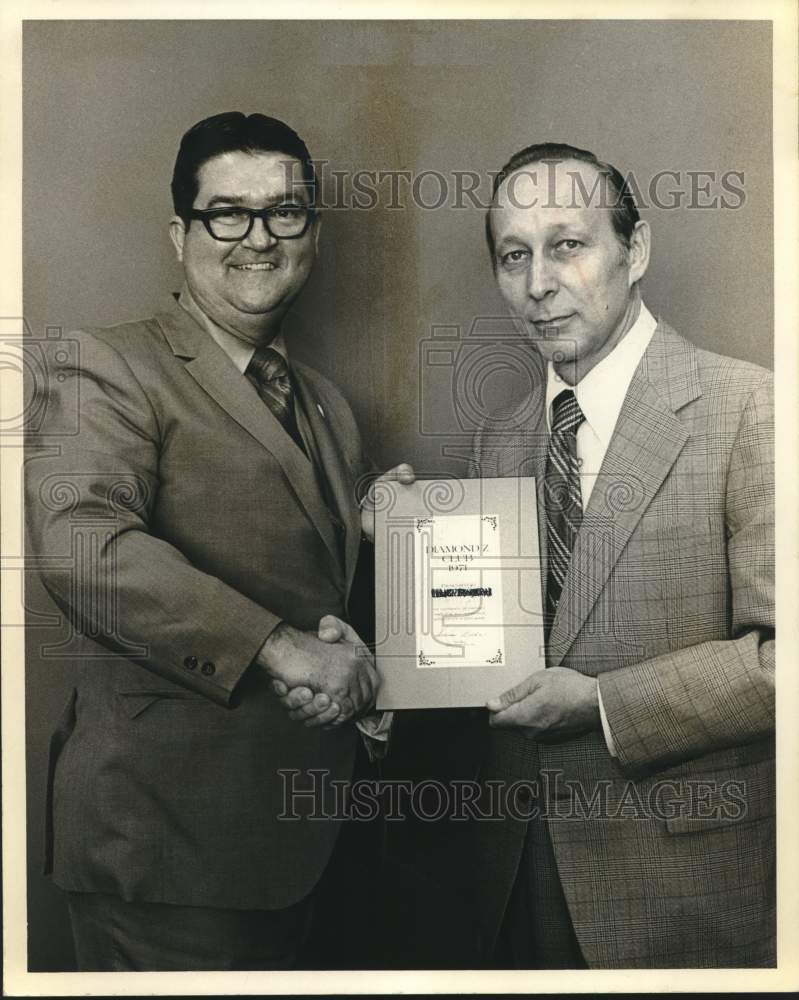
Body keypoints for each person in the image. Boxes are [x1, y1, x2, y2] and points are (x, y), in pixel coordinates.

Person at [26, 111, 397, 971]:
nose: (258, 238)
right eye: (228, 213)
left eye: (285, 212)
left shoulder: (327, 406)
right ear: (180, 235)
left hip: (310, 846)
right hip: (166, 848)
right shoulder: (103, 365)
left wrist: (398, 539)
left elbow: (318, 591)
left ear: (313, 233)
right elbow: (83, 546)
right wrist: (282, 648)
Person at [470, 143, 774, 969]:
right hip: (513, 880)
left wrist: (605, 704)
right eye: (513, 256)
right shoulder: (500, 440)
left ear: (633, 250)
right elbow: (482, 655)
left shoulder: (752, 408)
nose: (538, 283)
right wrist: (391, 643)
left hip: (685, 893)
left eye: (567, 245)